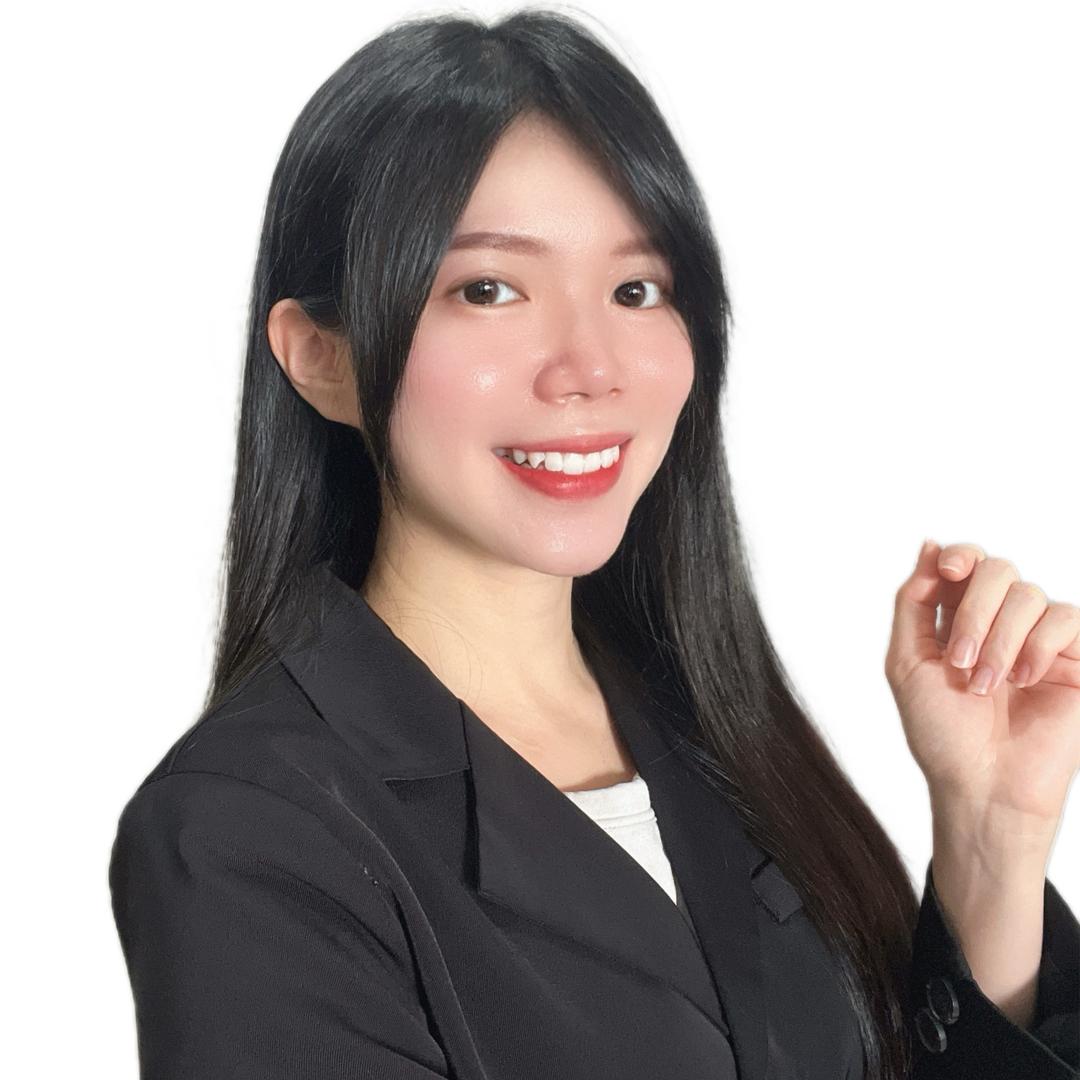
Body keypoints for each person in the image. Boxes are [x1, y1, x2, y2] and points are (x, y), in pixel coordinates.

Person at [108, 9, 1079, 1079]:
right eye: (488, 289)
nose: (591, 368)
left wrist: (992, 840)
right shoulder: (250, 831)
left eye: (636, 289)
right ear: (319, 357)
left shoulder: (712, 728)